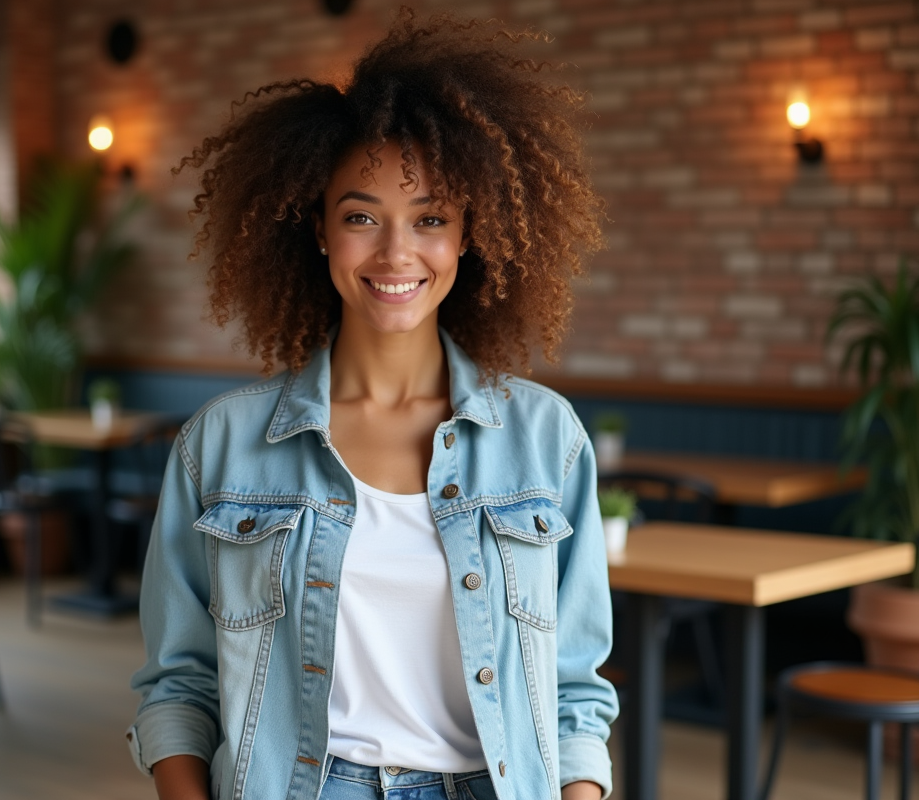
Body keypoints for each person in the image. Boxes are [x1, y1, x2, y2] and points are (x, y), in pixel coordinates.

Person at [128, 10, 618, 800]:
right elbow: (178, 687)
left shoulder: (544, 436)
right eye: (361, 216)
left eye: (430, 219)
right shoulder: (219, 445)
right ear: (318, 229)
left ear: (467, 235)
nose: (396, 253)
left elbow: (574, 693)